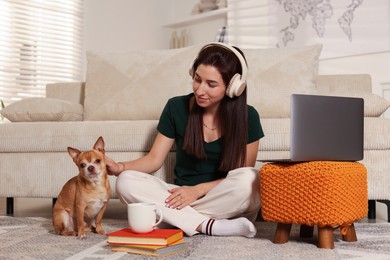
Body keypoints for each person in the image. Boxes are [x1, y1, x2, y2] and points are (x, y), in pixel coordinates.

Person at [106, 42, 265, 237]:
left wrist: (197, 191)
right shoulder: (176, 107)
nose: (200, 90)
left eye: (211, 84)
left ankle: (175, 220)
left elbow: (241, 172)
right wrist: (120, 167)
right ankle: (208, 225)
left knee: (250, 179)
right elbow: (154, 160)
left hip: (220, 197)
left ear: (233, 87)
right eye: (197, 79)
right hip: (179, 196)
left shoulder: (248, 117)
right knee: (126, 181)